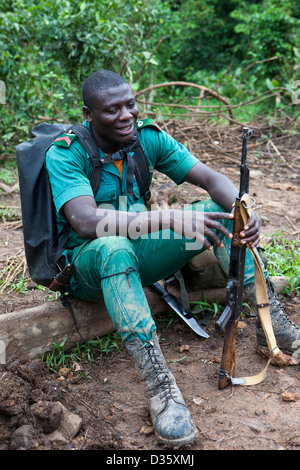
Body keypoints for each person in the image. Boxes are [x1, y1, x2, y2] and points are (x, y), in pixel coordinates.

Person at [45, 69, 300, 447]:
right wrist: (165, 217)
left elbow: (212, 180)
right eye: (112, 110)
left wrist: (245, 208)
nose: (126, 115)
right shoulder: (66, 153)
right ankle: (161, 386)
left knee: (222, 210)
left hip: (140, 253)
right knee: (114, 248)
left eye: (130, 105)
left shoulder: (145, 138)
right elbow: (84, 221)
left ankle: (274, 326)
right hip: (88, 266)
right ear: (89, 115)